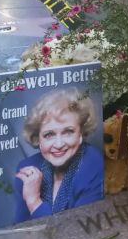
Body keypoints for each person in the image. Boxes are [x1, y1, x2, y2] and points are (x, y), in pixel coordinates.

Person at [14, 89, 104, 222]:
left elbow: (77, 234)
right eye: (49, 134)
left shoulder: (93, 164)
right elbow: (19, 229)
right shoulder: (27, 168)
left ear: (81, 133)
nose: (59, 144)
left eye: (68, 131)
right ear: (38, 138)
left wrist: (34, 202)